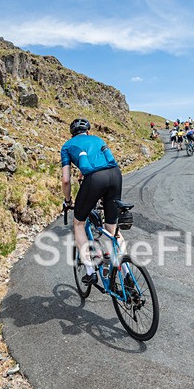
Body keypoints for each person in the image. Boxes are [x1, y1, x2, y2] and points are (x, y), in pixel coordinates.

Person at [61, 118, 123, 284]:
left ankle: (90, 270)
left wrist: (67, 201)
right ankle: (120, 266)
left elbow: (66, 180)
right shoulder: (98, 139)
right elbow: (100, 162)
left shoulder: (67, 146)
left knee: (79, 224)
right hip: (116, 174)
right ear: (87, 131)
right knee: (111, 226)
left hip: (95, 179)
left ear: (72, 133)